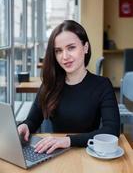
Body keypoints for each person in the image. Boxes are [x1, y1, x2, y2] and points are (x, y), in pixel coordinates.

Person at [18, 20, 120, 154]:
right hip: (54, 154)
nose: (64, 56)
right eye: (58, 51)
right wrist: (25, 126)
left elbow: (112, 130)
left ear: (85, 47)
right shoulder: (50, 84)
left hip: (88, 153)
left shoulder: (102, 85)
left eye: (71, 47)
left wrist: (68, 141)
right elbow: (33, 120)